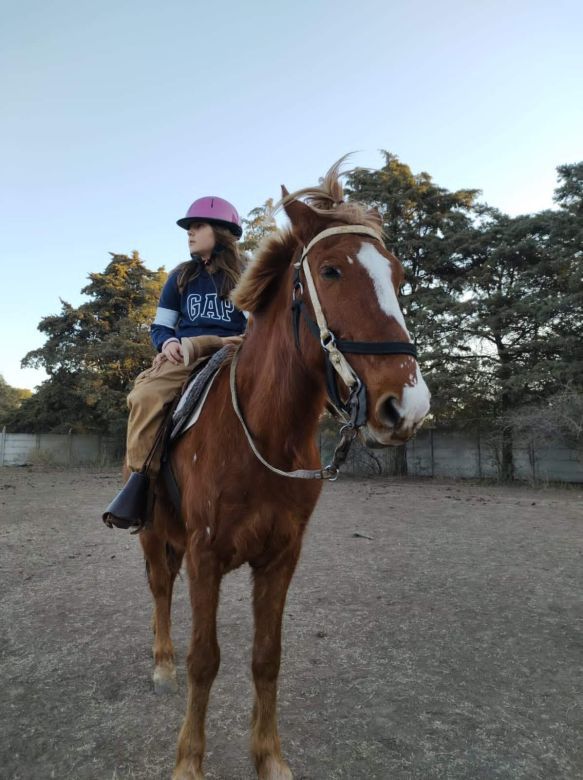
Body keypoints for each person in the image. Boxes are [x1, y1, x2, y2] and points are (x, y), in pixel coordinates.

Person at [103, 196, 247, 529]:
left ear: (222, 231)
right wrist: (166, 342)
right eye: (189, 228)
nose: (190, 233)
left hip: (234, 350)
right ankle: (140, 484)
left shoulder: (246, 275)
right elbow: (161, 326)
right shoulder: (181, 277)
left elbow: (258, 324)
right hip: (182, 354)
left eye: (198, 226)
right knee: (144, 396)